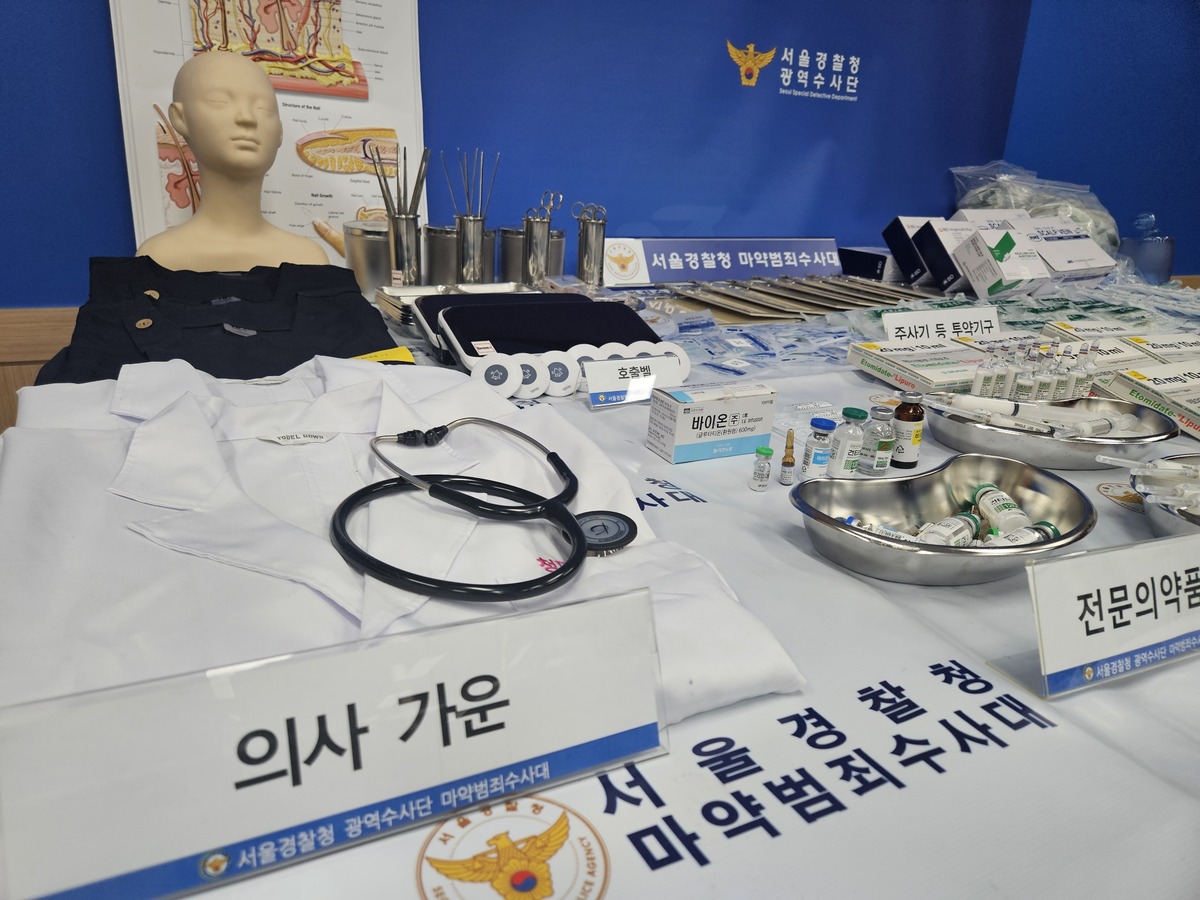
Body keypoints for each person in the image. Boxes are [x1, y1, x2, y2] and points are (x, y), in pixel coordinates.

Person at [137, 52, 329, 271]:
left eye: (263, 108)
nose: (247, 118)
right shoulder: (157, 259)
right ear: (180, 118)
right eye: (220, 101)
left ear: (280, 132)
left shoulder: (310, 260)